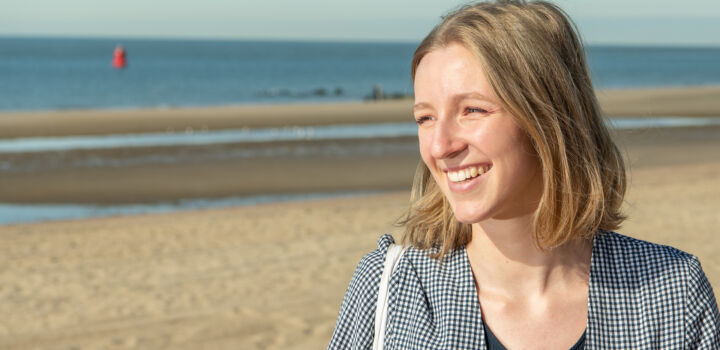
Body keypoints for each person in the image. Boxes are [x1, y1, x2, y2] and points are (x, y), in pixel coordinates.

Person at [327, 1, 720, 349]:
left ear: (547, 120)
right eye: (425, 118)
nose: (440, 146)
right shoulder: (391, 290)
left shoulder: (669, 294)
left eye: (473, 110)